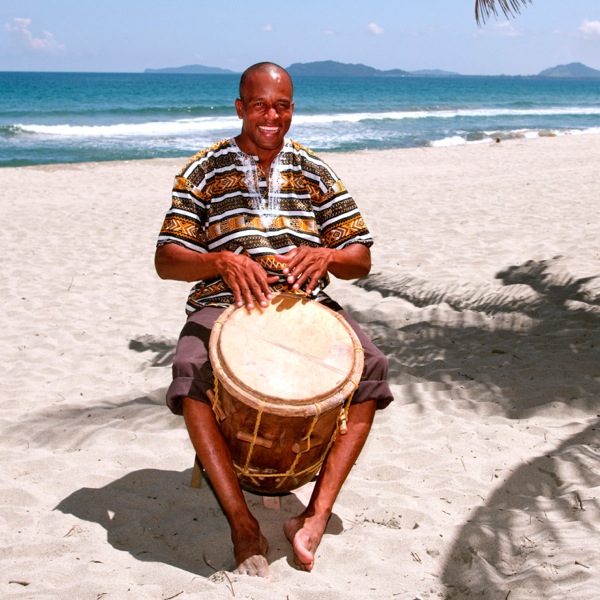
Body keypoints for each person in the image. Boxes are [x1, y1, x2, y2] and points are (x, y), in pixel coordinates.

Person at [155, 62, 393, 578]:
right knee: (190, 370)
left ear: (292, 110)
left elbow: (362, 256)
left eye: (282, 106)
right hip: (224, 300)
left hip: (304, 304)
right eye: (260, 105)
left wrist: (328, 257)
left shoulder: (314, 169)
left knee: (371, 370)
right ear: (240, 107)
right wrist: (219, 260)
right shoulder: (203, 169)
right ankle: (241, 523)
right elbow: (166, 259)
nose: (271, 116)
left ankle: (313, 516)